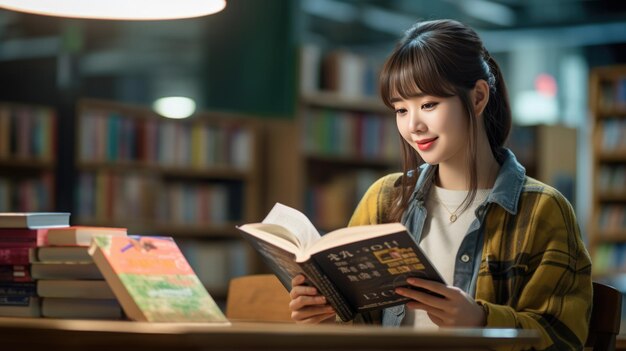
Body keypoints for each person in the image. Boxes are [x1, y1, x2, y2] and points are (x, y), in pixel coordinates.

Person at [288, 19, 592, 350]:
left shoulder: (543, 211)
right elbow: (361, 324)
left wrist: (480, 320)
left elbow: (564, 337)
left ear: (477, 97)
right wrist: (327, 313)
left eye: (429, 104)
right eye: (401, 109)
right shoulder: (383, 199)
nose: (413, 125)